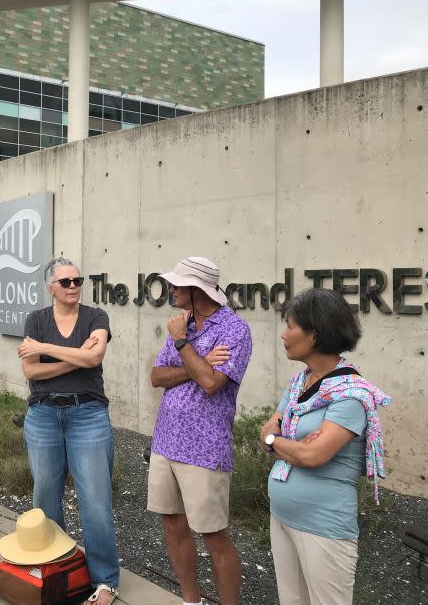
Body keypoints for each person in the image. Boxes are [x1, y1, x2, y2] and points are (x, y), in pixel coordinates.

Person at [261, 289, 391, 605]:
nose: (283, 334)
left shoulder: (352, 395)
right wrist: (278, 442)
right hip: (282, 515)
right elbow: (268, 430)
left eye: (290, 326)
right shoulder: (298, 383)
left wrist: (278, 443)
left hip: (323, 524)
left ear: (314, 335)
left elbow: (313, 455)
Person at [148, 257, 253, 605]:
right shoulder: (185, 323)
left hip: (204, 449)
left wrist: (181, 345)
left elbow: (211, 384)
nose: (171, 290)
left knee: (214, 536)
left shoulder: (234, 331)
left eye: (178, 284)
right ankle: (190, 600)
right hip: (166, 442)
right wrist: (200, 361)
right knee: (172, 524)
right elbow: (156, 376)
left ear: (197, 289)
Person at [15, 257, 118, 605]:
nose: (73, 286)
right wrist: (75, 356)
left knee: (96, 501)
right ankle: (54, 569)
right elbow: (31, 373)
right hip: (43, 415)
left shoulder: (95, 316)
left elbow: (94, 359)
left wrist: (44, 349)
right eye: (66, 282)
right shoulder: (36, 319)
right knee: (45, 499)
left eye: (77, 280)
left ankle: (104, 580)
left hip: (87, 412)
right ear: (50, 287)